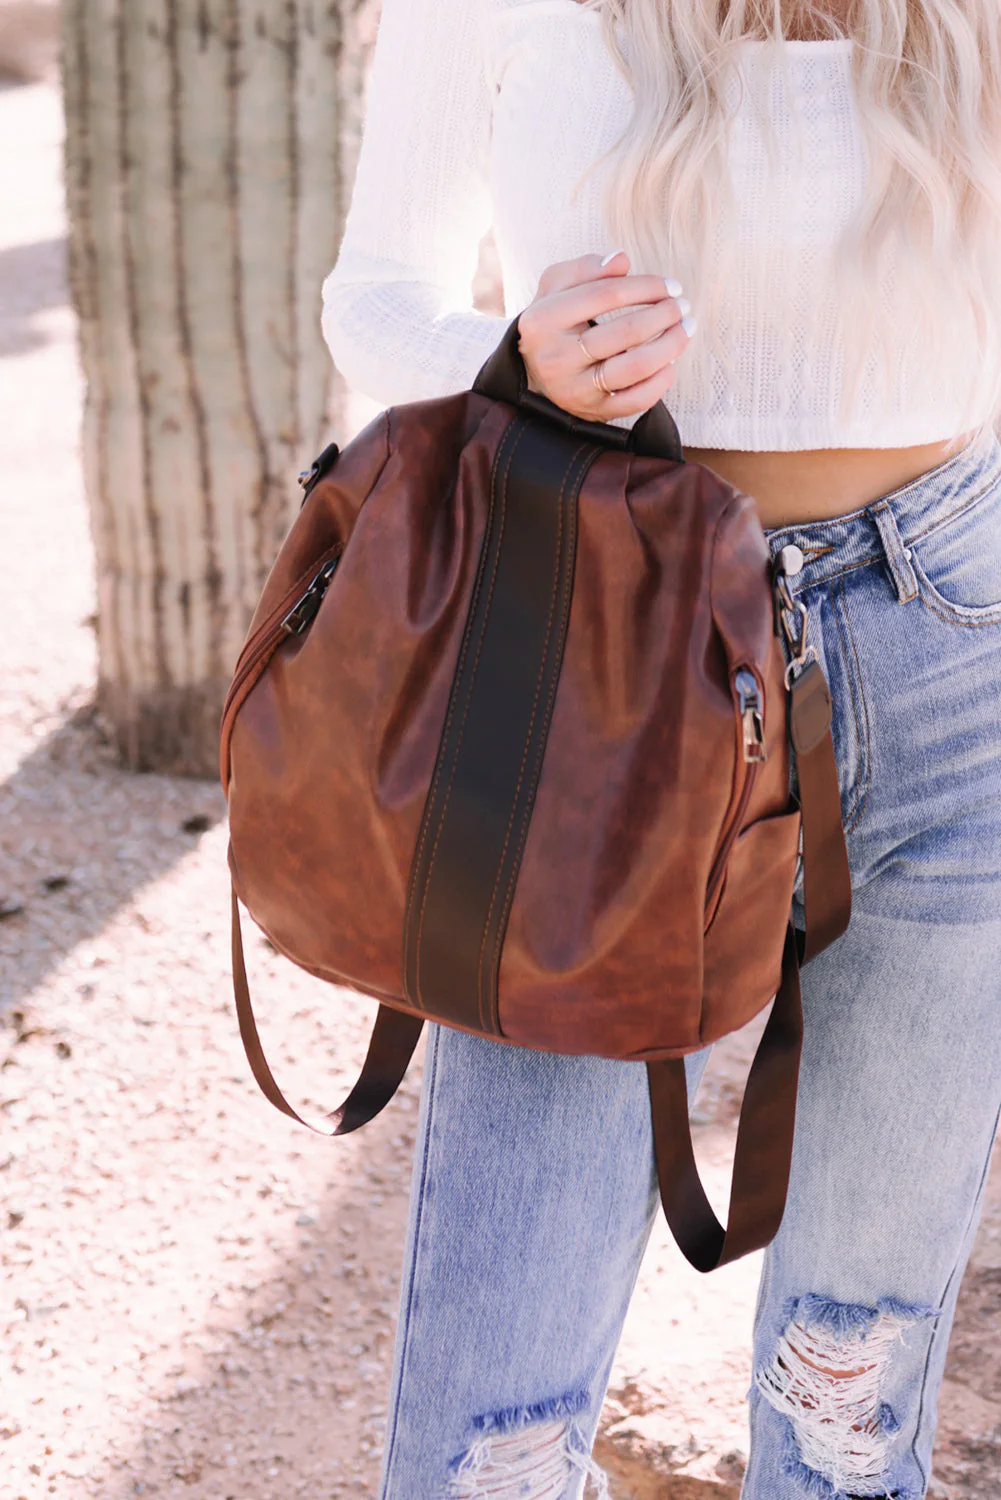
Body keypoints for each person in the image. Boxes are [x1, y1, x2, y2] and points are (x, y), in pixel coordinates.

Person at [320, 1, 1001, 1494]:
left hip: (954, 636)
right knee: (495, 1429)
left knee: (855, 1380)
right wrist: (514, 359)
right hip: (605, 660)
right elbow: (375, 298)